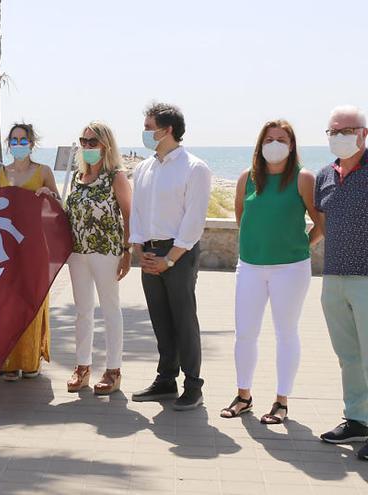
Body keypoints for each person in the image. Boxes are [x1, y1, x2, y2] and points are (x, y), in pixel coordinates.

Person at [220, 120, 322, 423]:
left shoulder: (303, 178)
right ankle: (244, 396)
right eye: (269, 139)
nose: (274, 144)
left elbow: (320, 223)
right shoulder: (246, 179)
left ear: (291, 146)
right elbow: (242, 218)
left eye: (281, 139)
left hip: (291, 269)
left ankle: (281, 401)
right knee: (245, 334)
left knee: (286, 333)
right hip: (250, 266)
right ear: (259, 144)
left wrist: (299, 247)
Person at [129, 102, 212, 411]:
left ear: (167, 130)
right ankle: (166, 381)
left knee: (184, 319)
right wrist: (140, 251)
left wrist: (170, 258)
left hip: (179, 253)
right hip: (149, 253)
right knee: (161, 319)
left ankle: (193, 385)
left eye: (150, 127)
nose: (146, 133)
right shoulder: (143, 167)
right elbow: (137, 212)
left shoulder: (195, 168)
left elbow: (194, 221)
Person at [315, 106, 368, 460]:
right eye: (334, 131)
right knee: (348, 356)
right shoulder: (324, 175)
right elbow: (318, 226)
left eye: (347, 130)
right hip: (333, 277)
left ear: (363, 133)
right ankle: (358, 419)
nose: (340, 136)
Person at [63, 121, 132, 394]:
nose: (88, 147)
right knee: (83, 311)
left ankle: (113, 371)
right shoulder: (78, 177)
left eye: (93, 142)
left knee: (110, 310)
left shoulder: (115, 176)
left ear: (106, 145)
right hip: (77, 253)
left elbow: (129, 215)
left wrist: (127, 252)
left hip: (107, 251)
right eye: (84, 141)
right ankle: (82, 367)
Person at [0, 123, 59, 381]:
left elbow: (59, 207)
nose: (19, 144)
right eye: (14, 140)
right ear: (8, 144)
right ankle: (8, 361)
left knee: (32, 300)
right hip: (5, 247)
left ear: (31, 143)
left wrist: (49, 194)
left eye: (23, 139)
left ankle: (30, 361)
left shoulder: (44, 172)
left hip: (35, 247)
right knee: (7, 303)